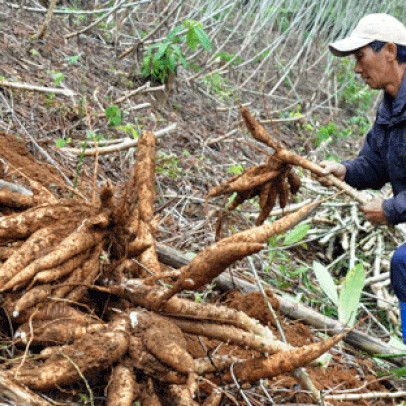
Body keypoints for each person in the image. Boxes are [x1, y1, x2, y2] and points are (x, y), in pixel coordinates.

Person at [323, 13, 406, 343]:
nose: (356, 68)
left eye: (360, 57)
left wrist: (390, 209)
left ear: (389, 51)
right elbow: (375, 166)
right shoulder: (389, 106)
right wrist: (343, 170)